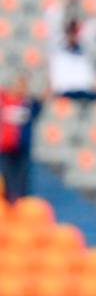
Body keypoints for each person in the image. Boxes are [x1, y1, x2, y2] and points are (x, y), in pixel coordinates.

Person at [0, 73, 42, 203]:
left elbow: (42, 101)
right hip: (5, 148)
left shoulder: (28, 104)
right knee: (6, 179)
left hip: (22, 148)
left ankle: (20, 204)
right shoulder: (4, 101)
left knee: (22, 180)